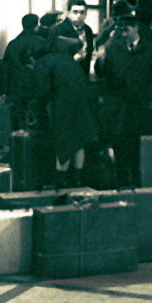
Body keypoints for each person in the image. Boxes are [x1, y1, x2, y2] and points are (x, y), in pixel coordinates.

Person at [94, 13, 152, 187]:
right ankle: (122, 186)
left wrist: (151, 99)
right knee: (121, 150)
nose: (123, 31)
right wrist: (99, 62)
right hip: (119, 109)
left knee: (139, 152)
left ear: (136, 28)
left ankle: (139, 186)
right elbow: (104, 75)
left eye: (126, 28)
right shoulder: (113, 48)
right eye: (120, 29)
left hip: (141, 108)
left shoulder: (150, 49)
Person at [33, 35, 99, 189]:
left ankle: (60, 183)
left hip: (64, 105)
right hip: (84, 103)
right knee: (79, 140)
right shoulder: (66, 58)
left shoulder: (44, 62)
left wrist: (38, 109)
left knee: (64, 143)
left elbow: (42, 91)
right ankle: (78, 181)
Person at [2, 13, 45, 130]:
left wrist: (6, 90)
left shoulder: (13, 44)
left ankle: (20, 144)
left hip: (16, 89)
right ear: (37, 25)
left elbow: (6, 68)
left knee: (18, 121)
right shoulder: (42, 42)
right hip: (36, 89)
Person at [48, 0, 93, 77]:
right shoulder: (58, 30)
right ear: (68, 13)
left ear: (86, 14)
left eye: (82, 12)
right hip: (64, 76)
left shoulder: (88, 29)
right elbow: (53, 58)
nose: (79, 15)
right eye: (75, 12)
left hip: (83, 75)